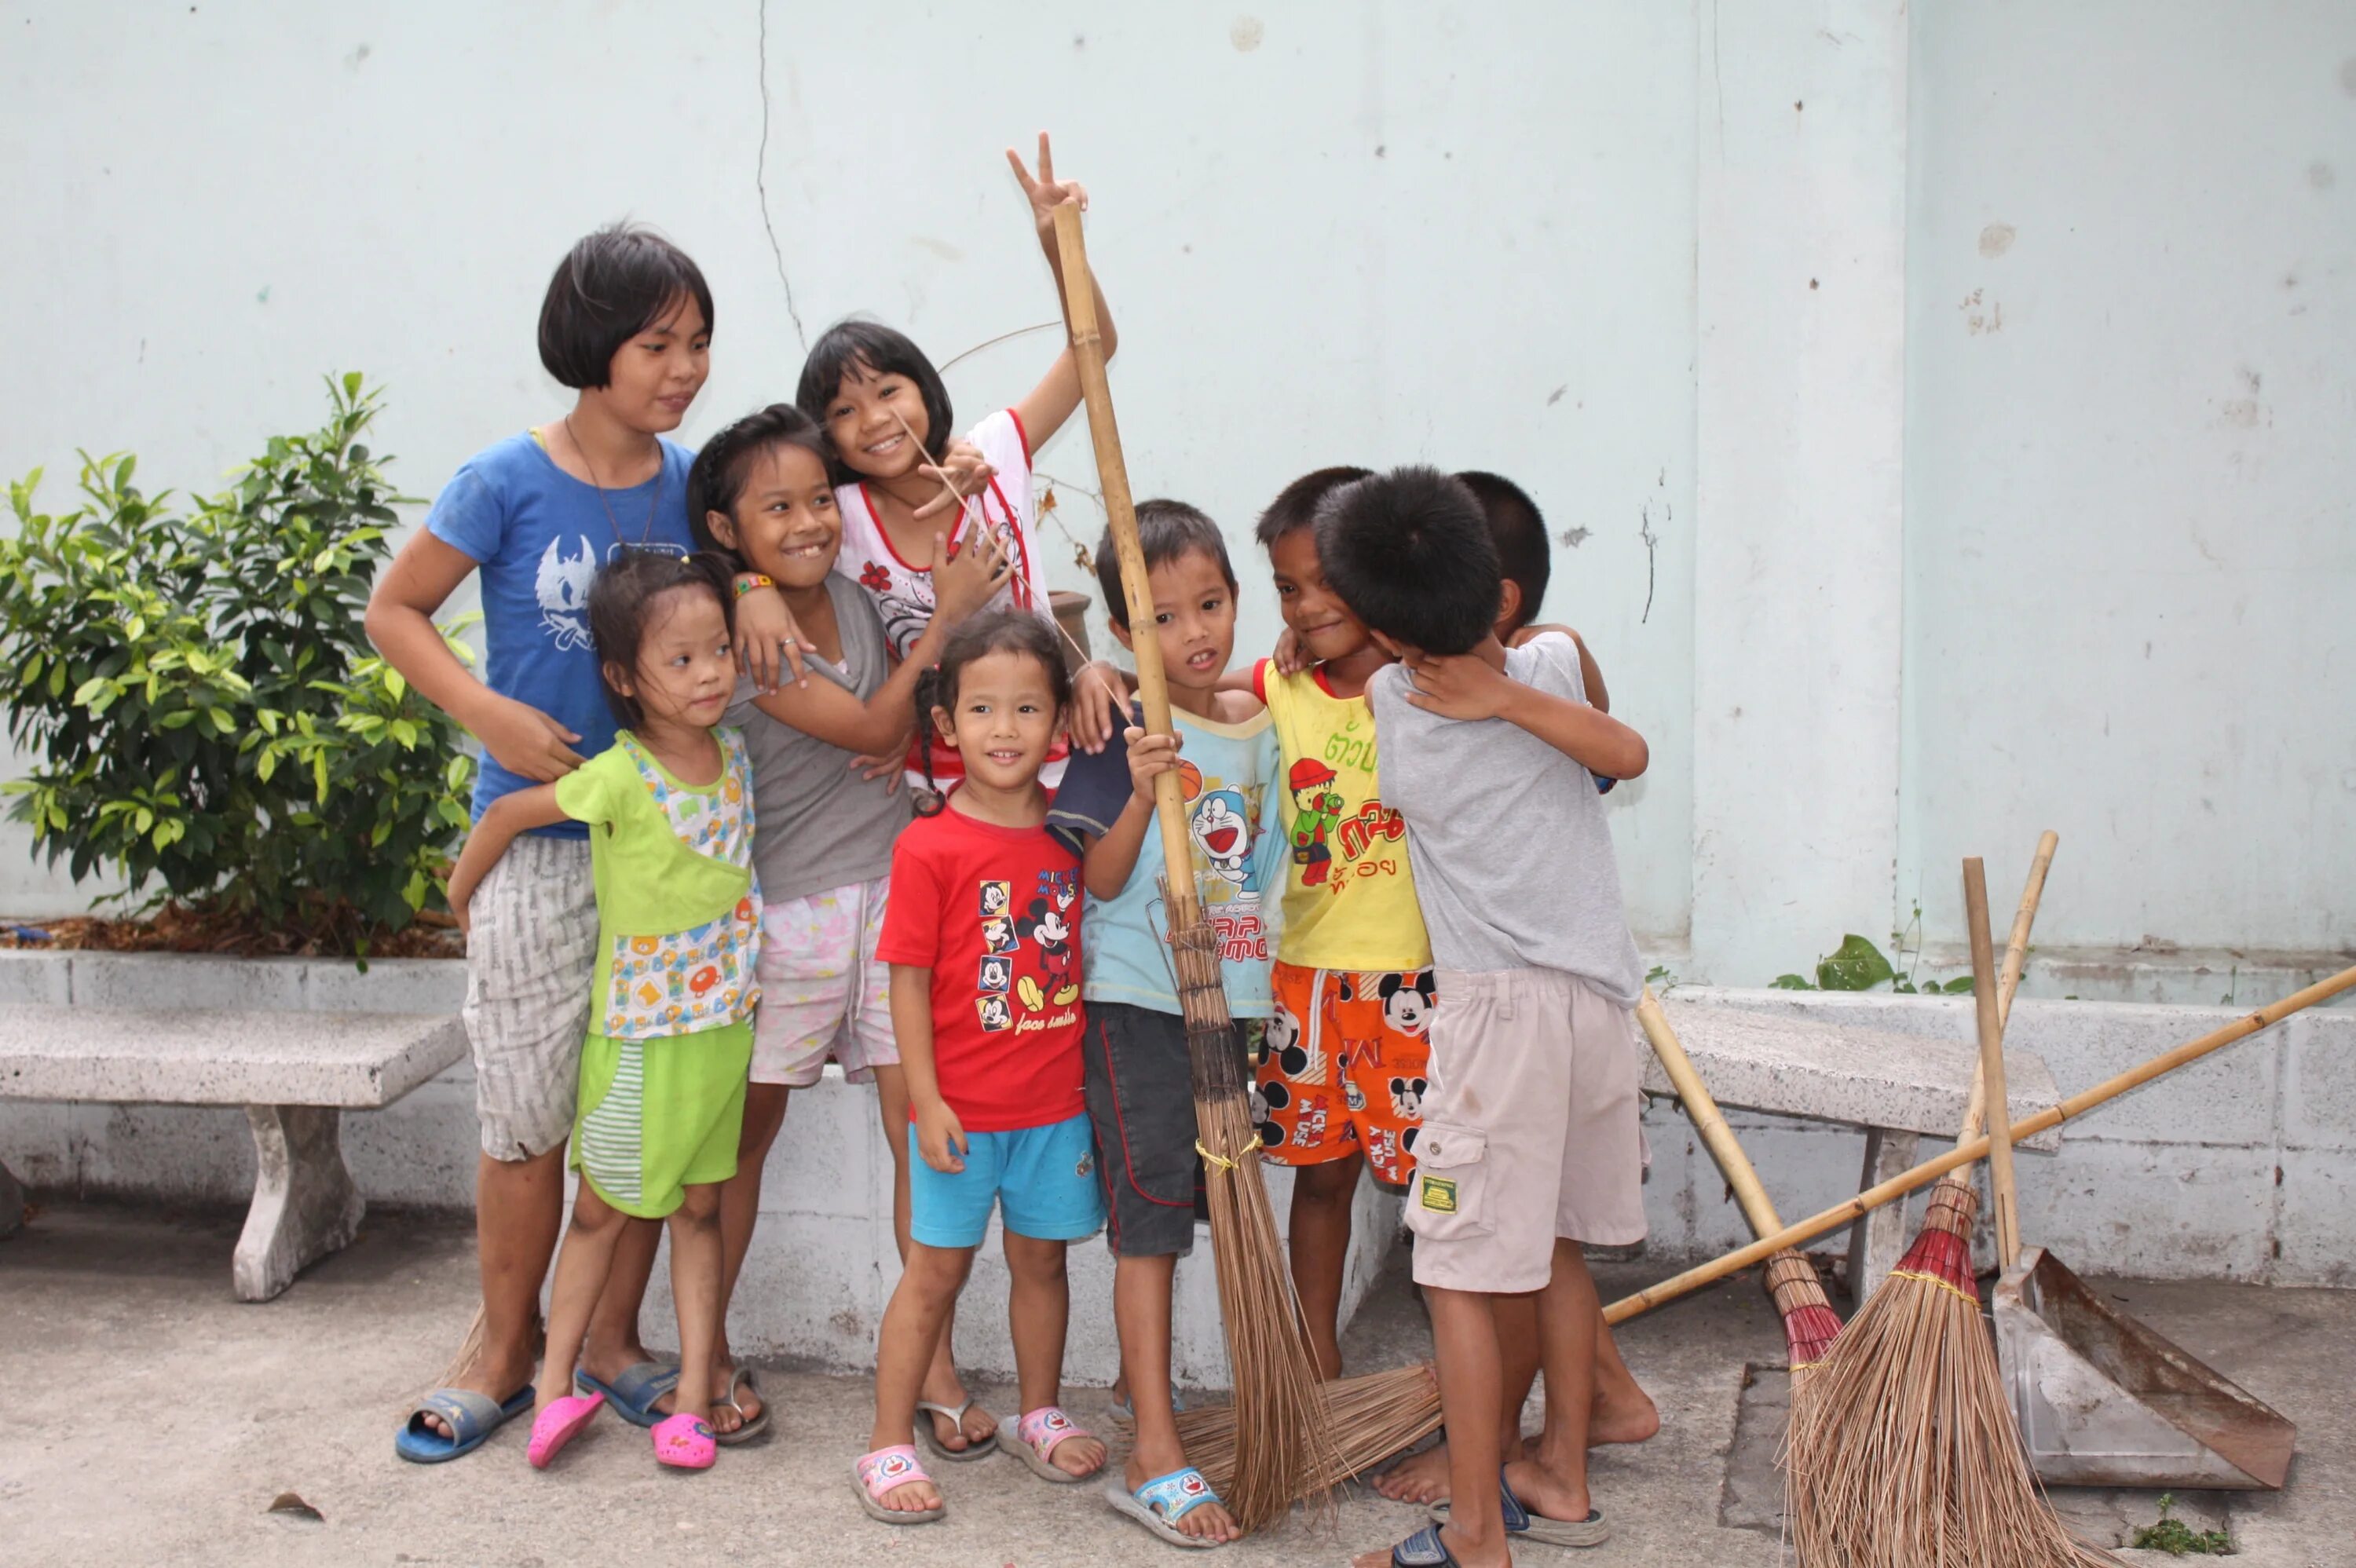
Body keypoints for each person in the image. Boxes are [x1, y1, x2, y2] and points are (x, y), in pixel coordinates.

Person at [375, 225, 799, 1458]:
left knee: (656, 1107)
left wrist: (758, 583)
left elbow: (752, 551)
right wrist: (484, 707)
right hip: (543, 837)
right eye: (657, 343)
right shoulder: (502, 479)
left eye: (699, 342)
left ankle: (612, 1343)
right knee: (526, 1112)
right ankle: (501, 1351)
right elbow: (395, 610)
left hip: (671, 856)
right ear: (589, 346)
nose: (684, 367)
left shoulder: (686, 482)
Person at [1319, 468, 1650, 1568]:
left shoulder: (1395, 708)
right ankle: (1556, 1469)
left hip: (1499, 1019)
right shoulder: (1550, 664)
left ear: (1383, 624)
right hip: (1599, 1006)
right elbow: (1623, 751)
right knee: (1550, 1244)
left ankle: (1472, 1537)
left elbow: (1379, 679)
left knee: (1454, 1269)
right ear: (1498, 594)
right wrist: (1513, 685)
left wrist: (1469, 685)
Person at [682, 402, 1010, 1447]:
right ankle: (710, 1351)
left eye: (820, 499)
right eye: (776, 508)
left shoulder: (857, 607)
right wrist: (946, 625)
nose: (811, 521)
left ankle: (932, 1360)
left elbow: (900, 716)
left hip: (895, 895)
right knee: (746, 1138)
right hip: (791, 914)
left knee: (920, 1124)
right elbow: (871, 720)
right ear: (728, 533)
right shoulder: (754, 631)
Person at [441, 550, 761, 1474]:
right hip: (637, 1045)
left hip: (720, 1036)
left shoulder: (735, 755)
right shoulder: (620, 774)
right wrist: (462, 901)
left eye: (718, 652)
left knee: (701, 1211)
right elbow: (504, 818)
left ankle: (693, 1399)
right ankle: (551, 1392)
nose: (709, 674)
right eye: (681, 659)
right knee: (601, 1214)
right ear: (625, 678)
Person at [1044, 500, 1282, 1547]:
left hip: (1229, 1006)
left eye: (1213, 602)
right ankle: (1151, 1449)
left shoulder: (1260, 724)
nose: (1196, 630)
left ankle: (1163, 1406)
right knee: (1147, 1227)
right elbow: (1095, 881)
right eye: (1167, 614)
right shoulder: (1120, 728)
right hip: (1138, 1003)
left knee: (1204, 1212)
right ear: (1123, 630)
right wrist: (1143, 791)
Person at [854, 611, 1110, 1525]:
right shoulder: (930, 843)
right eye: (984, 709)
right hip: (959, 1111)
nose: (1006, 728)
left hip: (1054, 1106)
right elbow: (908, 985)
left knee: (1042, 1262)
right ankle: (887, 1441)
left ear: (1058, 721)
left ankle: (1039, 1411)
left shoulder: (1075, 828)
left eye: (1029, 707)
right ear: (949, 723)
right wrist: (924, 1099)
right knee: (935, 1272)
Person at [796, 132, 1114, 805]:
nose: (876, 419)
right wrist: (751, 595)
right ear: (827, 436)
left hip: (1050, 763)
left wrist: (1058, 245)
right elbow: (762, 543)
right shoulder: (837, 517)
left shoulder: (994, 451)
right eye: (846, 410)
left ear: (924, 389)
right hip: (932, 784)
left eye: (888, 391)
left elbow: (1096, 349)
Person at [1231, 466, 1432, 1383]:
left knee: (1442, 1190)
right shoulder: (1282, 686)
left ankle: (1470, 1369)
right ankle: (1314, 1360)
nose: (1306, 604)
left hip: (1416, 985)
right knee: (1320, 1179)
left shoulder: (1433, 683)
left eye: (1327, 580)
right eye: (1286, 586)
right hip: (1306, 980)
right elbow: (1201, 701)